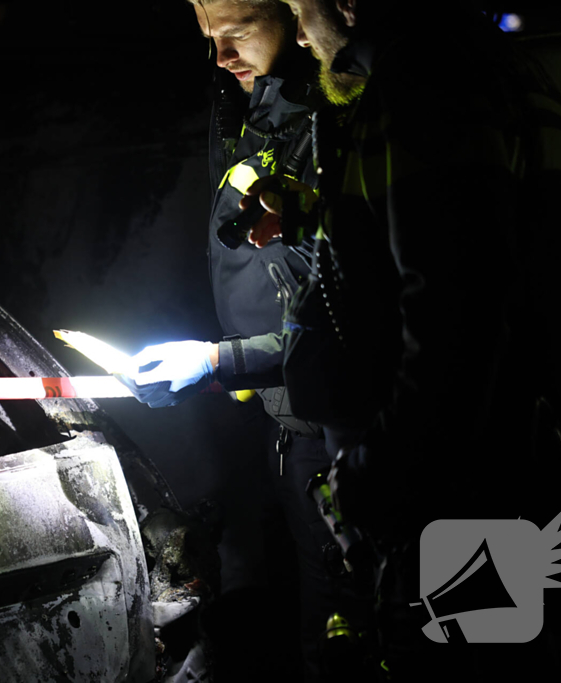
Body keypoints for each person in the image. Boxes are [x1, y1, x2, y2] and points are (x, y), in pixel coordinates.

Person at [239, 0, 561, 679]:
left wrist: (370, 479)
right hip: (507, 480)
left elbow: (456, 325)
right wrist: (317, 213)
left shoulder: (428, 82)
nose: (298, 34)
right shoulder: (492, 71)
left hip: (469, 499)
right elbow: (465, 228)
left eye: (301, 11)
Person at [118, 1, 370, 679]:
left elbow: (362, 321)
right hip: (297, 433)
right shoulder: (243, 106)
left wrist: (216, 362)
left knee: (375, 646)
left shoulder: (344, 114)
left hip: (357, 435)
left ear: (296, 14)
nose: (221, 57)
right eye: (209, 38)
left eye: (235, 35)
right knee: (323, 646)